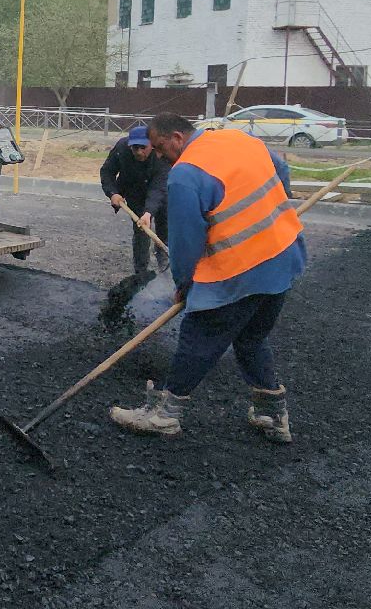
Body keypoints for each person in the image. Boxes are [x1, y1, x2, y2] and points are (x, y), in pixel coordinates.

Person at [110, 112, 305, 444]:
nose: (158, 156)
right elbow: (281, 172)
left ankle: (164, 417)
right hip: (284, 257)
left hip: (240, 271)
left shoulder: (185, 174)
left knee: (197, 338)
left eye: (159, 147)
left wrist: (185, 285)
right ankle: (274, 416)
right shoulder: (237, 138)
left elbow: (185, 241)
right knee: (251, 339)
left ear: (177, 138)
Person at [97, 123, 170, 275]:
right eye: (135, 148)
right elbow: (107, 172)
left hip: (162, 193)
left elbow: (157, 188)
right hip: (134, 191)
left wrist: (148, 212)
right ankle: (141, 272)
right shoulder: (122, 149)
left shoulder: (161, 156)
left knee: (165, 227)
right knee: (141, 231)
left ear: (152, 145)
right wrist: (113, 193)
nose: (138, 152)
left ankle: (165, 266)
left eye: (143, 148)